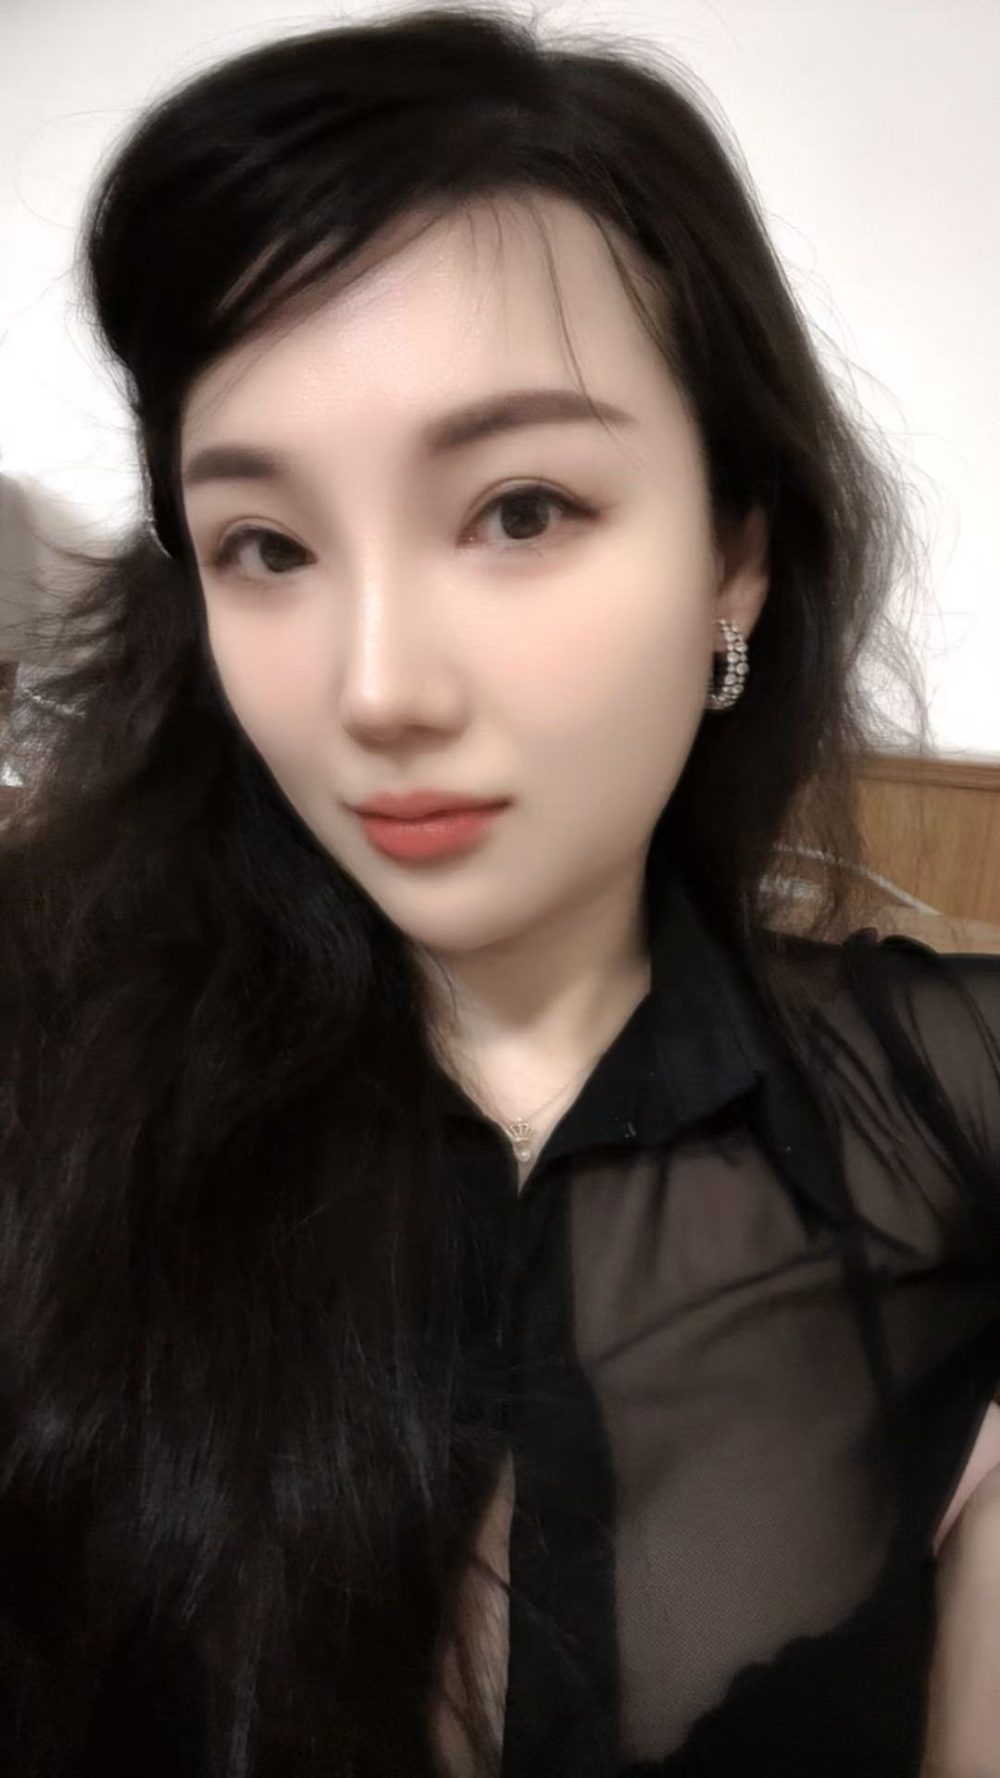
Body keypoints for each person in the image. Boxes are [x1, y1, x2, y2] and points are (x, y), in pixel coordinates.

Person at [1, 7, 998, 1775]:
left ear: (736, 558)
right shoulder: (42, 1074)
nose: (377, 687)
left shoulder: (949, 1117)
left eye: (521, 509)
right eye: (267, 546)